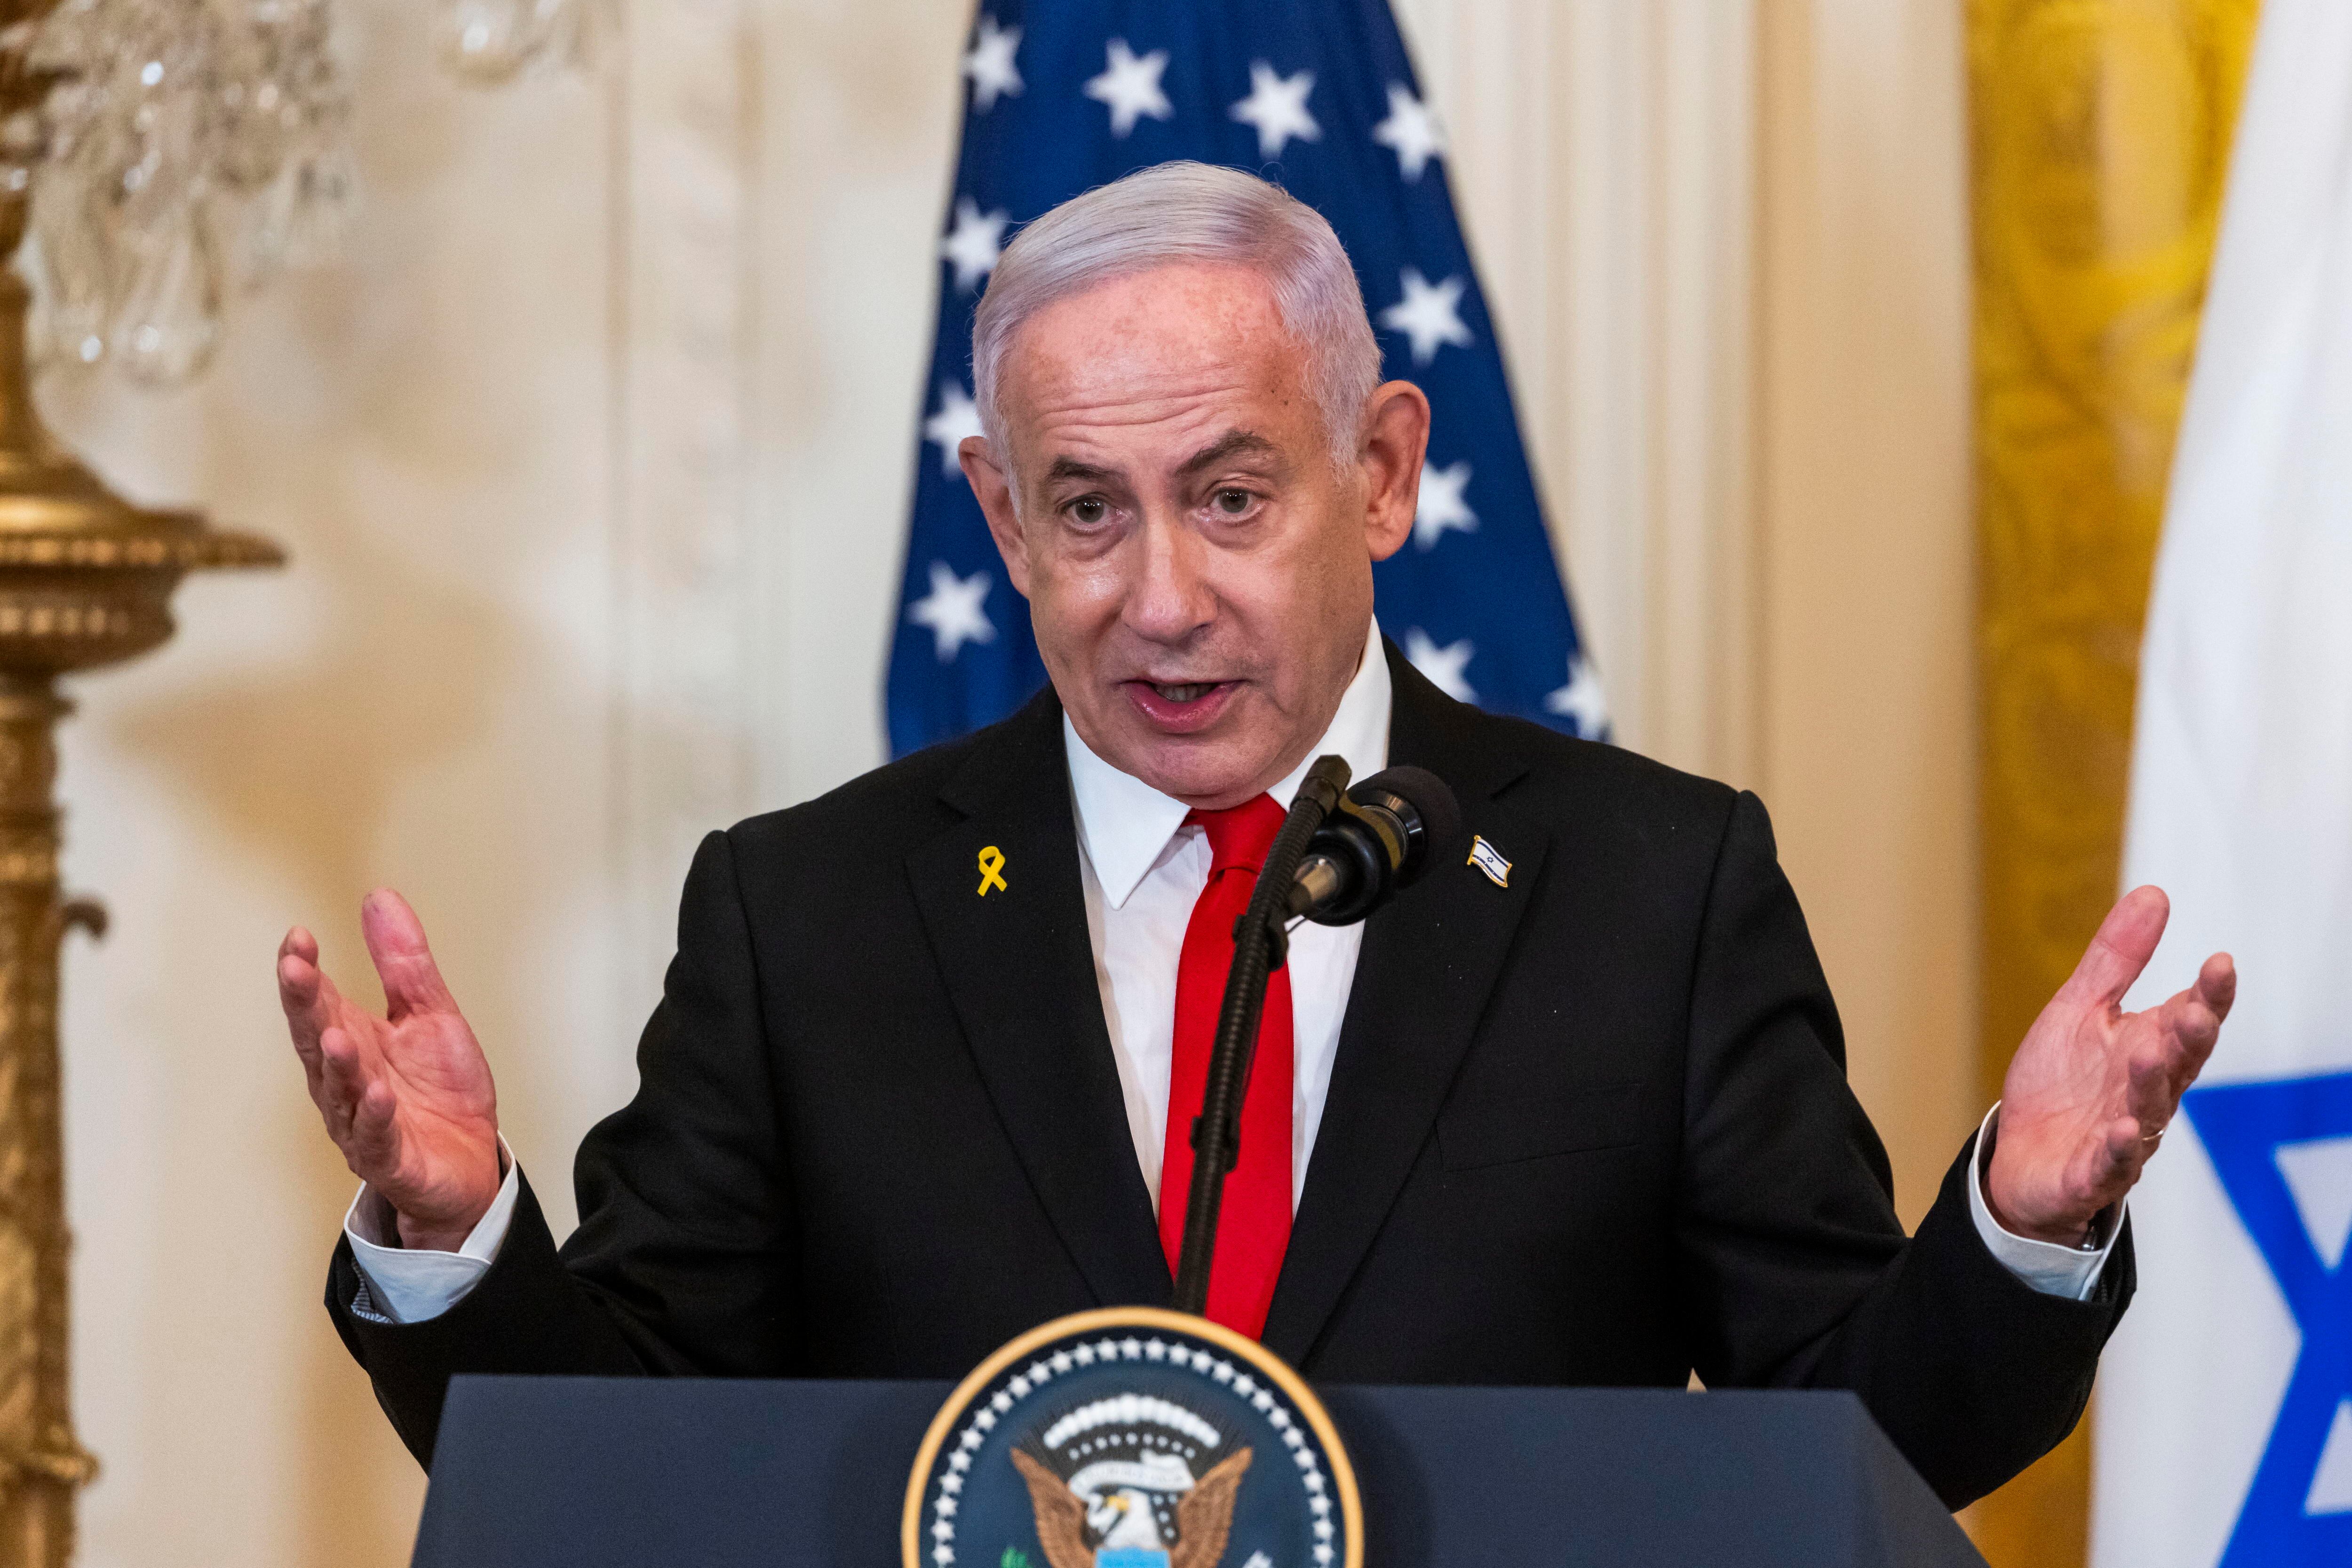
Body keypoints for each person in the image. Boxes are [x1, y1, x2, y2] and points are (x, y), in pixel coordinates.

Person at [277, 161, 2234, 1505]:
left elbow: (1852, 1439)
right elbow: (627, 1458)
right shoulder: (810, 917)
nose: (1156, 599)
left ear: (1377, 473)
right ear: (995, 518)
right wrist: (458, 1246)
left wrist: (2017, 1226)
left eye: (1227, 498)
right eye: (1084, 511)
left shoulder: (1652, 886)